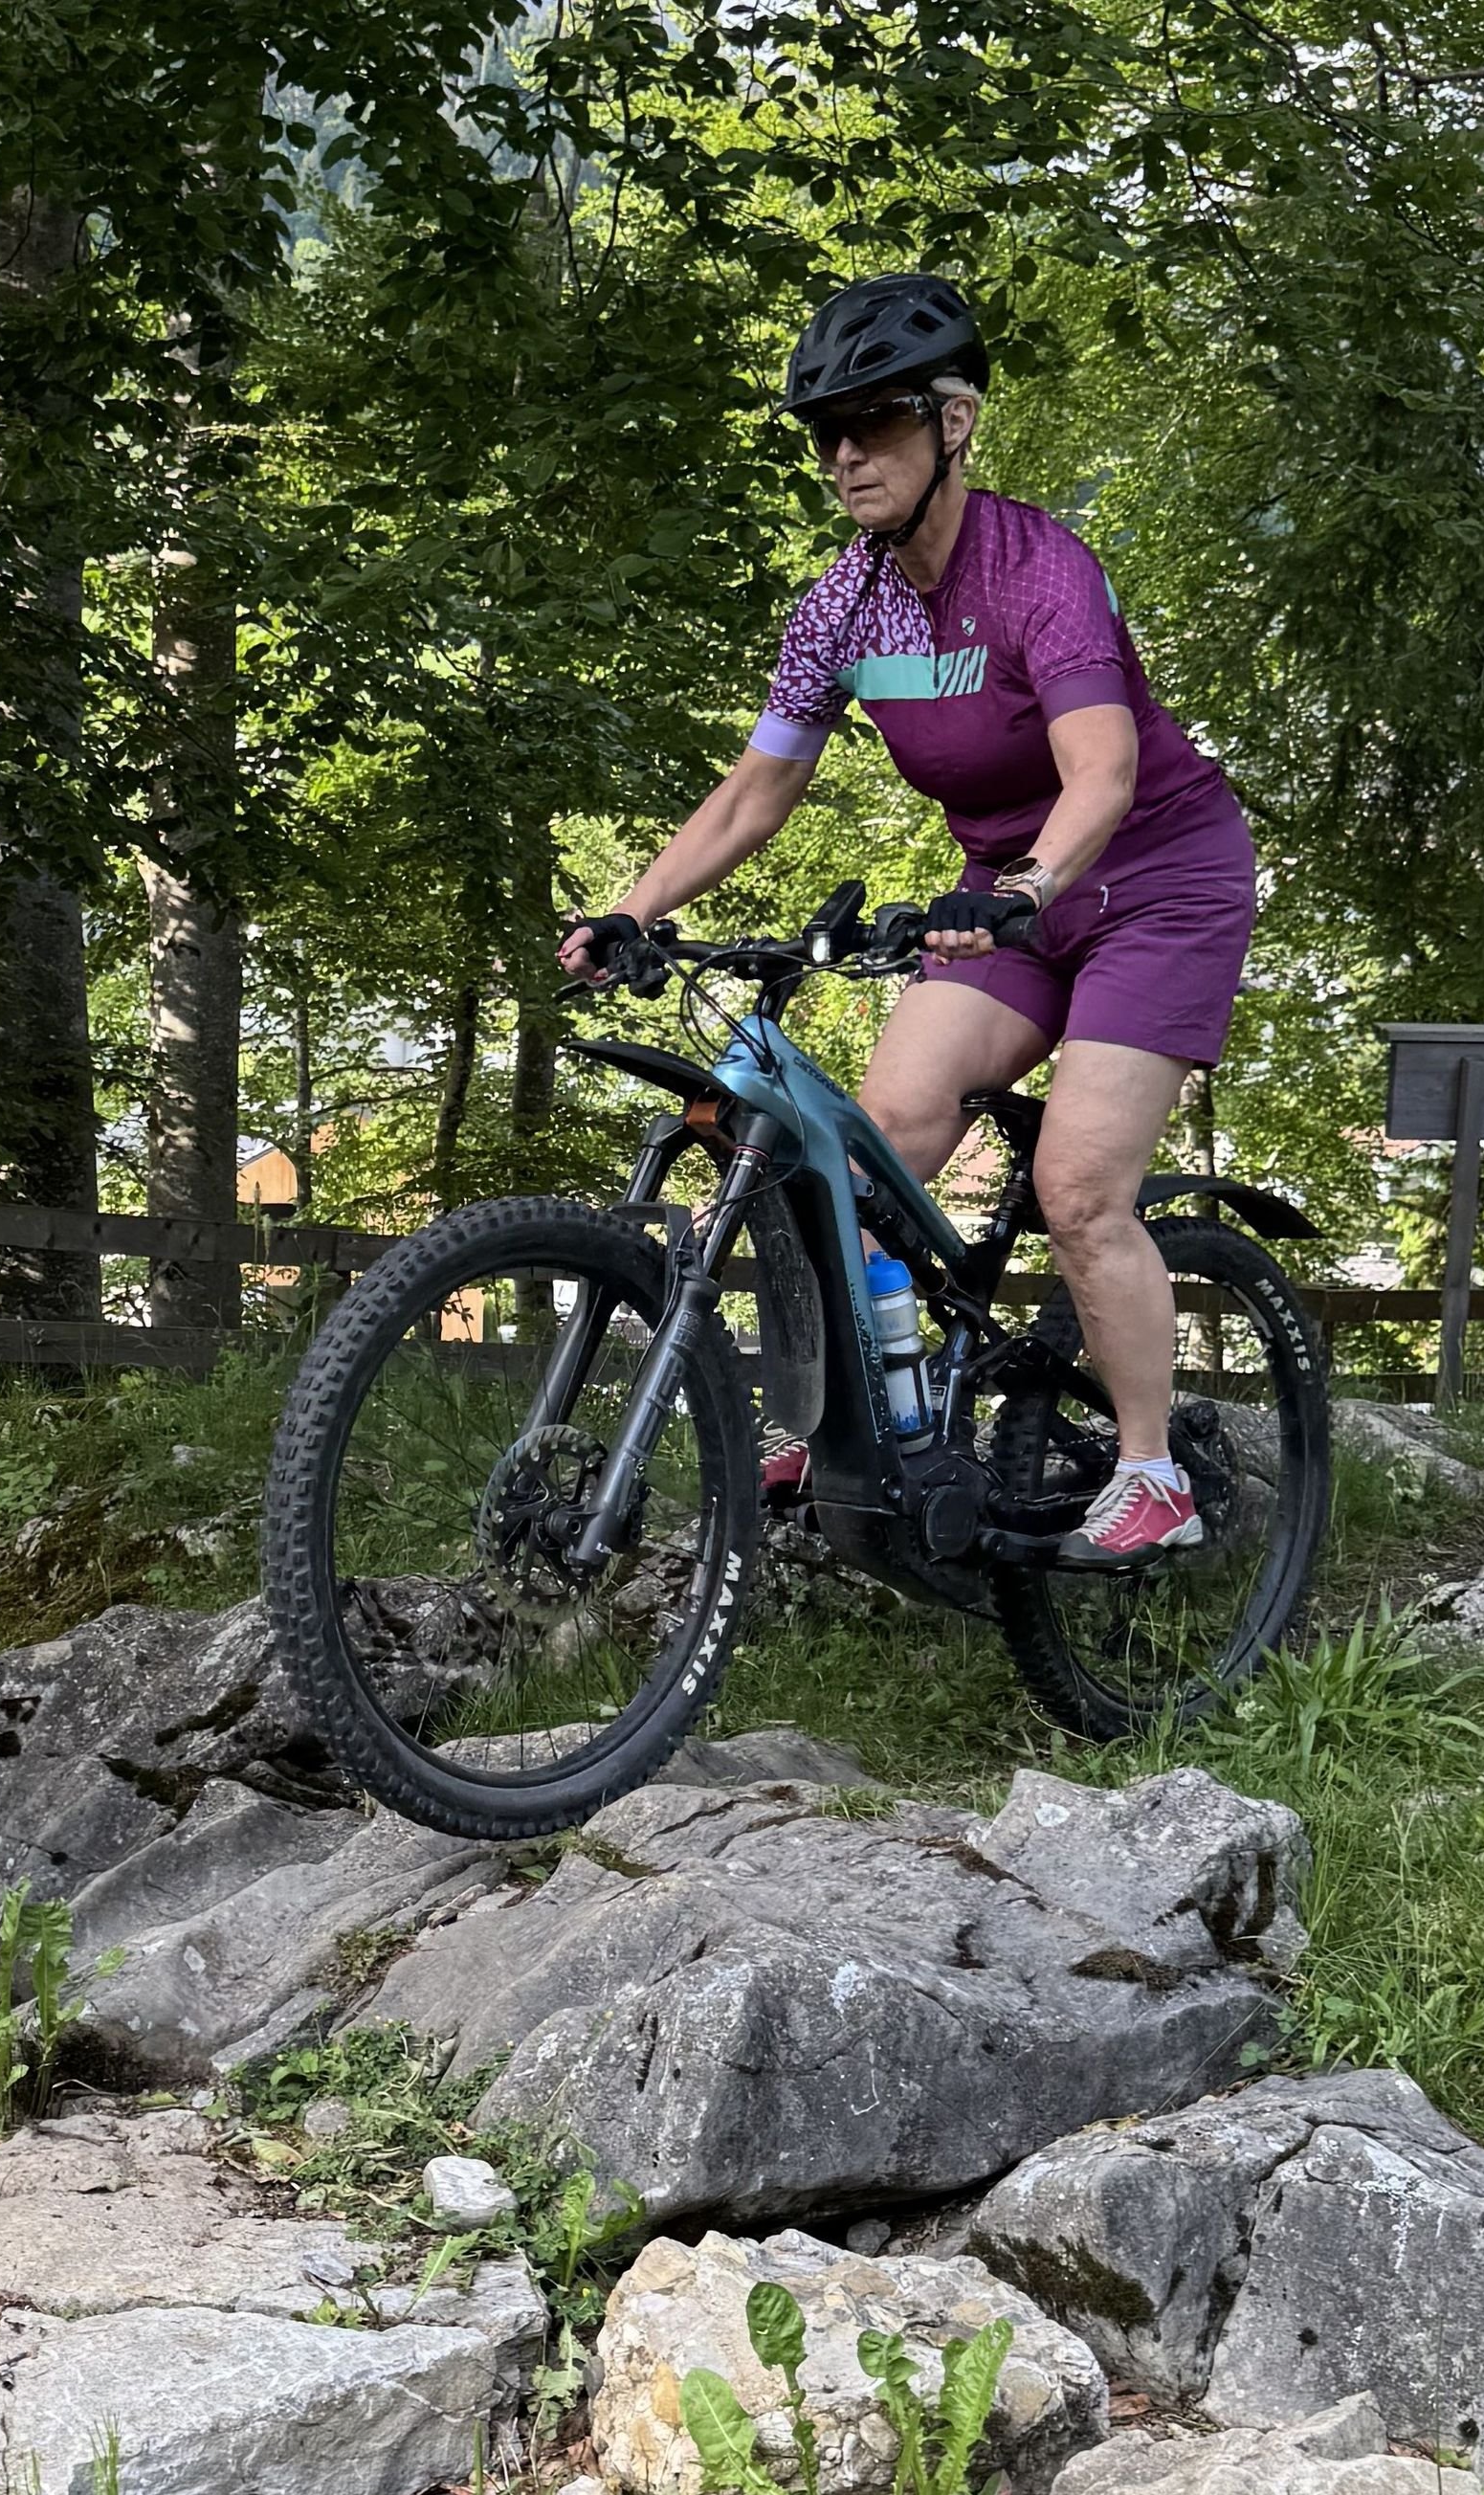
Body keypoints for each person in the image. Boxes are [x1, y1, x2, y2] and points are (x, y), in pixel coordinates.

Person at [563, 275, 1260, 1564]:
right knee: (876, 1149)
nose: (842, 454)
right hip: (1004, 904)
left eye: (872, 422)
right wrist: (630, 909)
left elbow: (1102, 773)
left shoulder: (1040, 567)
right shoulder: (841, 605)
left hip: (1156, 882)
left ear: (955, 424)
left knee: (1078, 1186)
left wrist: (1020, 893)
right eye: (824, 430)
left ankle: (1157, 1474)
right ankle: (865, 1421)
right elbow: (758, 791)